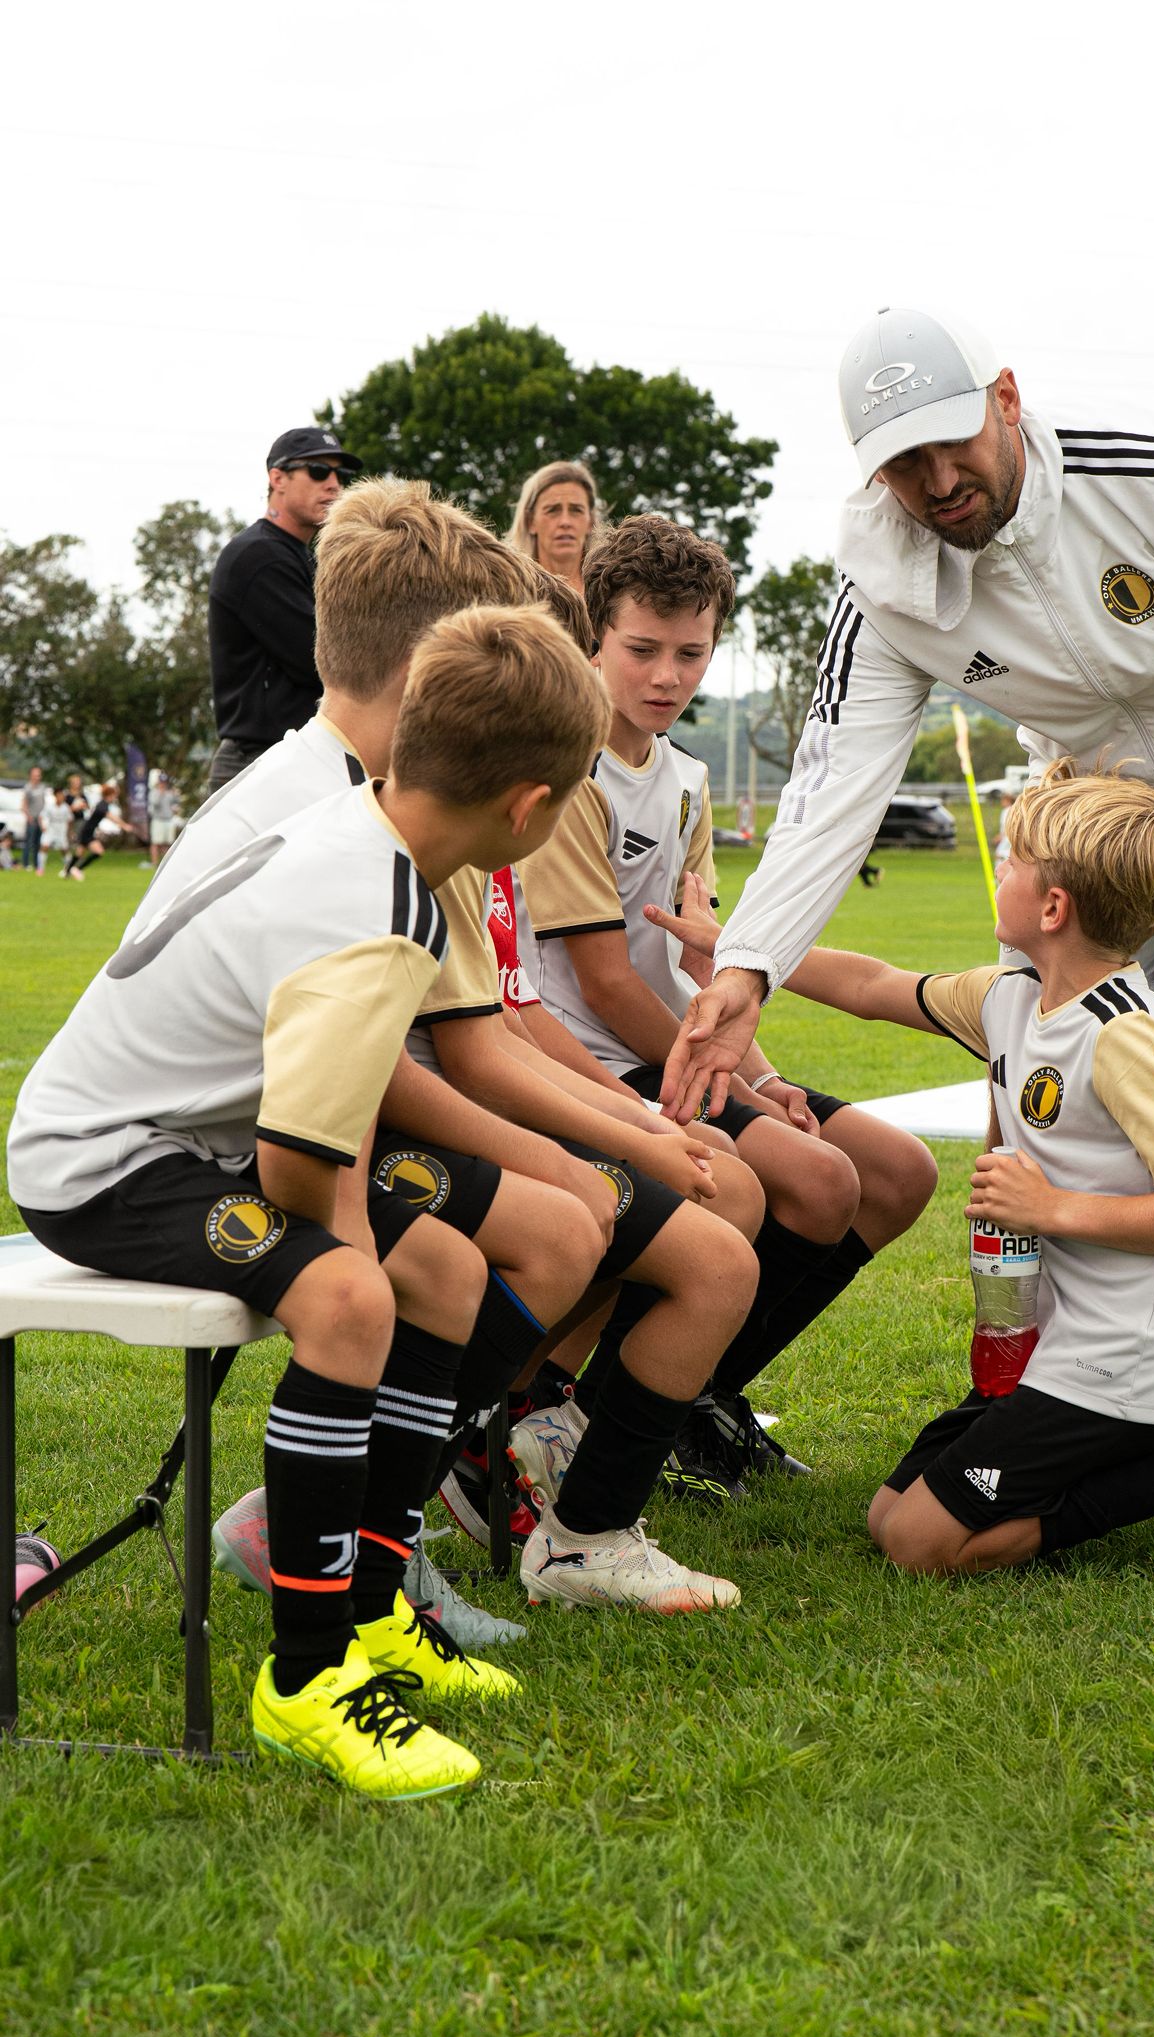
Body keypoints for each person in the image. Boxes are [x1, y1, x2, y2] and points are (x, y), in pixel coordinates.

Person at [663, 303, 1154, 1521]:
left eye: (953, 445)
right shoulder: (880, 575)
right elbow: (833, 785)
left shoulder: (1152, 472)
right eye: (901, 464)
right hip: (1093, 799)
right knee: (1019, 1075)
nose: (938, 482)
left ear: (1002, 397)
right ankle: (1043, 1377)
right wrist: (749, 971)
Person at [7, 604, 609, 1798]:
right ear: (531, 809)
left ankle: (376, 1612)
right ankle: (308, 1678)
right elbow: (296, 1166)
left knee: (433, 1272)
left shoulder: (369, 835)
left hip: (196, 1135)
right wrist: (346, 1287)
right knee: (350, 1296)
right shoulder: (378, 915)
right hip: (100, 1160)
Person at [153, 477, 758, 1612]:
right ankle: (431, 1519)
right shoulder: (357, 816)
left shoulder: (395, 802)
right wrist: (609, 1140)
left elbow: (463, 1033)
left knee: (615, 1227)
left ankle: (419, 1509)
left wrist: (633, 1125)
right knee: (624, 1238)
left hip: (306, 1128)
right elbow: (442, 1060)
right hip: (237, 1151)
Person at [660, 762, 1154, 1579]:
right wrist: (737, 953)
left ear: (1052, 908)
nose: (996, 871)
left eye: (1009, 861)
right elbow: (871, 986)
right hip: (1059, 1344)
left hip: (1137, 1358)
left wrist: (1053, 1207)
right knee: (888, 1514)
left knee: (921, 1546)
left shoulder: (1129, 1036)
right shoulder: (1013, 994)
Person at [517, 514, 937, 1484]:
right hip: (595, 1054)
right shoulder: (569, 770)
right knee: (817, 1180)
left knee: (895, 1171)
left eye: (691, 652)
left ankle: (692, 1394)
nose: (667, 675)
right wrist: (739, 1095)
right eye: (642, 649)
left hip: (683, 1041)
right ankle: (630, 1412)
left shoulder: (689, 779)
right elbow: (607, 981)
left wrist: (767, 1073)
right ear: (594, 632)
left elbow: (709, 962)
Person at [206, 426, 361, 794]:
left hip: (288, 761)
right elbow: (325, 660)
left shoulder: (297, 556)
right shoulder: (259, 556)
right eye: (319, 471)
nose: (334, 485)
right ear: (278, 478)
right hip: (259, 764)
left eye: (341, 475)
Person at [505, 461, 602, 595]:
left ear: (591, 522)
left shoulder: (610, 593)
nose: (565, 522)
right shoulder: (509, 592)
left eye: (576, 510)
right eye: (552, 510)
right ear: (530, 522)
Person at [61, 782, 119, 879]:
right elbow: (110, 816)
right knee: (98, 852)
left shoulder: (103, 804)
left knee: (79, 853)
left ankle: (68, 871)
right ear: (110, 795)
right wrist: (124, 825)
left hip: (88, 830)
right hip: (87, 831)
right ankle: (75, 869)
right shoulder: (103, 805)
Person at [19, 767, 48, 873]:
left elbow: (44, 802)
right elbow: (24, 804)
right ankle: (25, 864)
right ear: (31, 775)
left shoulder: (42, 787)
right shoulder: (28, 787)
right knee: (29, 842)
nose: (37, 777)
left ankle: (37, 864)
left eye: (39, 775)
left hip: (40, 818)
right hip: (31, 818)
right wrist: (28, 816)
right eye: (35, 775)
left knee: (38, 842)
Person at [146, 773, 178, 866]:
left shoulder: (169, 793)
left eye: (164, 782)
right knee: (156, 842)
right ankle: (154, 863)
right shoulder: (154, 792)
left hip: (168, 820)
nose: (163, 784)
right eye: (161, 782)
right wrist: (161, 793)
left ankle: (166, 864)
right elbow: (155, 803)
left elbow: (175, 803)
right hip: (158, 820)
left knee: (167, 843)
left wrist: (175, 795)